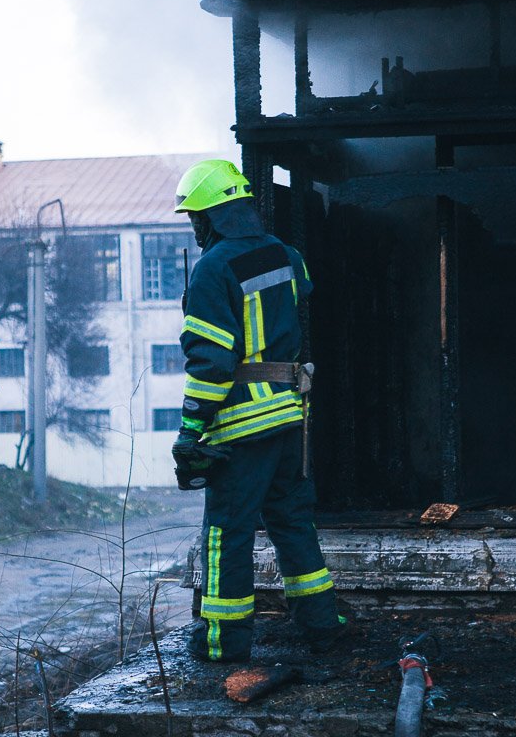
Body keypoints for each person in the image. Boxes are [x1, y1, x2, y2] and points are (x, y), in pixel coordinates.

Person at [171, 158, 343, 662]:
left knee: (228, 530)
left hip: (241, 425)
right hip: (289, 415)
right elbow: (298, 296)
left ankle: (225, 642)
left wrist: (189, 431)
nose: (194, 226)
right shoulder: (286, 255)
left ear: (211, 217)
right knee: (292, 520)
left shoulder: (211, 269)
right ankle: (322, 624)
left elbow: (212, 361)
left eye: (194, 216)